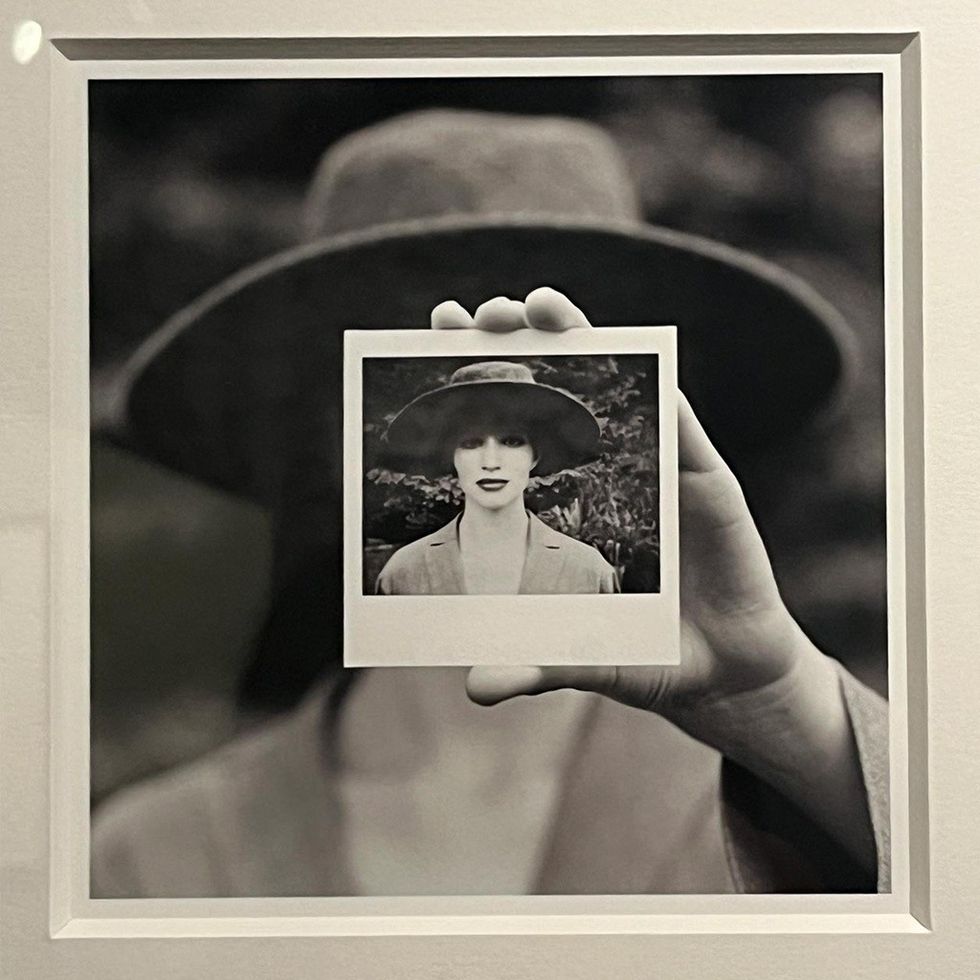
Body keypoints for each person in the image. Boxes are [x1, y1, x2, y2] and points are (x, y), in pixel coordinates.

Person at [90, 109, 888, 898]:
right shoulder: (153, 859)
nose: (485, 444)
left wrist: (779, 704)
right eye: (414, 373)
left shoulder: (804, 797)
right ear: (325, 436)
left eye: (543, 375)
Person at [375, 359, 617, 596]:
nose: (490, 463)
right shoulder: (402, 574)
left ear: (535, 456)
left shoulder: (589, 572)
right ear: (452, 456)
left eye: (511, 442)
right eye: (471, 443)